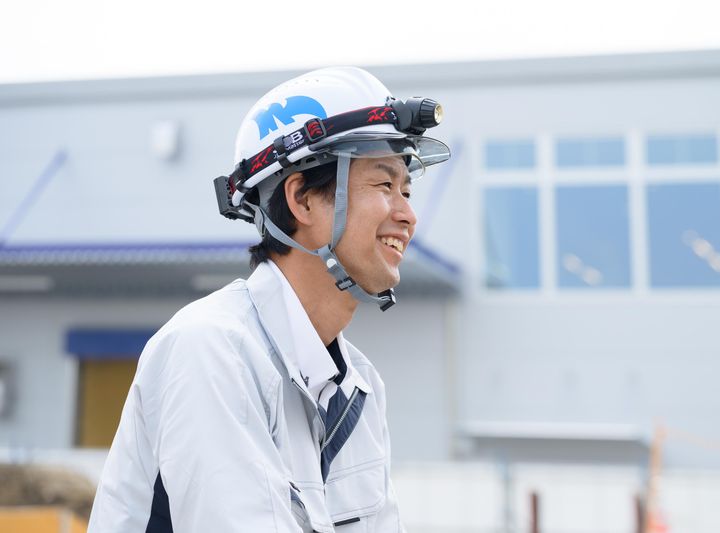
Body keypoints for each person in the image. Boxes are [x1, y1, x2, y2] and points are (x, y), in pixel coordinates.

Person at [87, 67, 450, 532]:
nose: (408, 214)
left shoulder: (360, 386)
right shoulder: (212, 350)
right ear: (302, 200)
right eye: (384, 185)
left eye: (407, 190)